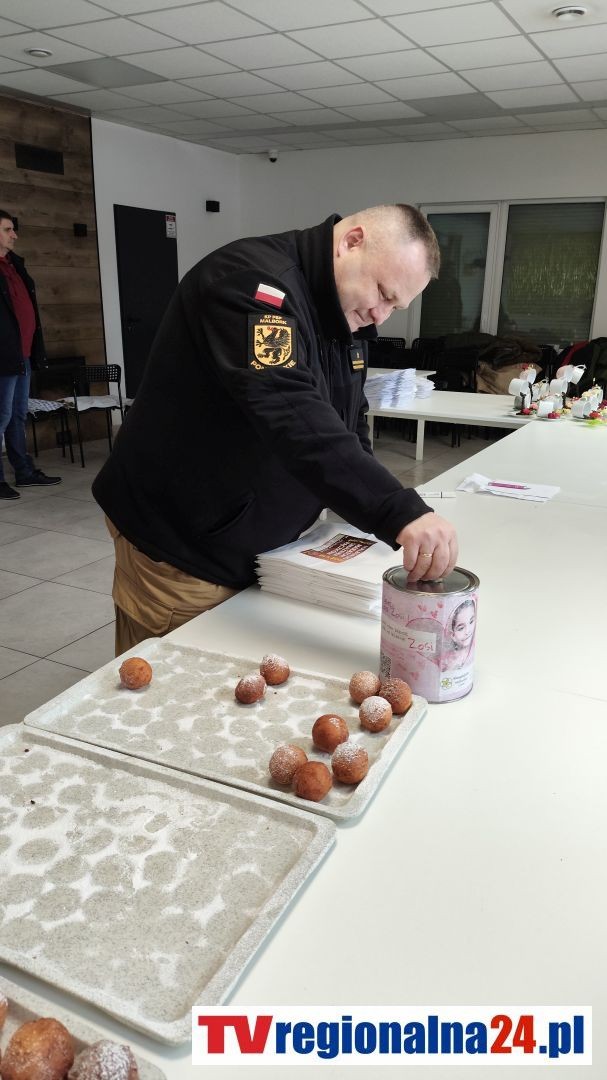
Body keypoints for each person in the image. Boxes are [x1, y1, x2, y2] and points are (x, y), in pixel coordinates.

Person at [92, 205, 459, 654]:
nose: (381, 315)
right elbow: (290, 412)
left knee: (239, 674)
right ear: (352, 242)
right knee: (171, 676)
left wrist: (365, 510)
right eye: (383, 293)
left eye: (395, 306)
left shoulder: (344, 311)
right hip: (184, 540)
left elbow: (347, 420)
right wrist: (396, 510)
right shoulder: (249, 287)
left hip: (254, 541)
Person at [0, 210, 61, 499]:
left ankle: (24, 472)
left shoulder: (15, 265)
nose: (14, 235)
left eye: (13, 229)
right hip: (3, 357)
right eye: (7, 230)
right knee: (1, 416)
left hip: (22, 354)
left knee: (18, 414)